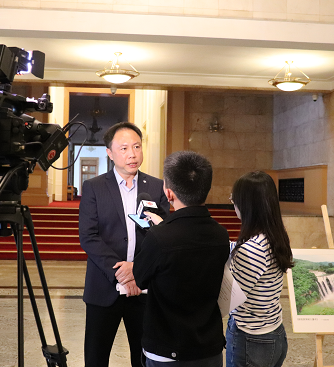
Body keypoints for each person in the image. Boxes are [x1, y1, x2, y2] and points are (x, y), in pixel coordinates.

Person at [78, 122, 170, 367]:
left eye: (137, 147)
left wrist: (137, 269)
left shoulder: (156, 187)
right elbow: (88, 236)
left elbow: (162, 237)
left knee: (143, 359)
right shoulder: (94, 187)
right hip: (104, 287)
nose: (132, 154)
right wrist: (121, 272)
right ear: (110, 153)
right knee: (96, 358)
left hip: (144, 290)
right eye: (124, 148)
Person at [133, 151, 230, 367]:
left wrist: (156, 232)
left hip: (167, 349)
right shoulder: (221, 234)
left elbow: (139, 278)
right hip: (209, 348)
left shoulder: (159, 238)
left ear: (168, 193)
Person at [226, 171, 294, 367]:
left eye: (234, 199)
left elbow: (230, 299)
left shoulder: (251, 249)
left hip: (251, 339)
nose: (233, 204)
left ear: (247, 205)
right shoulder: (274, 235)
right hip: (274, 330)